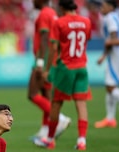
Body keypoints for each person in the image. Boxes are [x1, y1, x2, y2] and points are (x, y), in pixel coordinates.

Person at [34, 0, 92, 150]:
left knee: (56, 104)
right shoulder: (86, 21)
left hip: (65, 67)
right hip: (82, 67)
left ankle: (50, 139)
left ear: (62, 7)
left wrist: (47, 69)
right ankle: (82, 141)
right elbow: (86, 41)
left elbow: (53, 48)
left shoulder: (59, 22)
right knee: (81, 104)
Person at [28, 0, 71, 140]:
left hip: (43, 60)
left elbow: (45, 40)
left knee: (32, 94)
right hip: (52, 60)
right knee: (46, 95)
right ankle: (45, 130)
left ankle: (60, 118)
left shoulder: (44, 14)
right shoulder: (53, 13)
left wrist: (40, 63)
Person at [94, 0, 119, 128]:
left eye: (103, 6)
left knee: (110, 87)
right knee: (111, 87)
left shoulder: (110, 18)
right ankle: (110, 118)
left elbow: (114, 39)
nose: (101, 9)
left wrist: (108, 44)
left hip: (116, 55)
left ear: (110, 7)